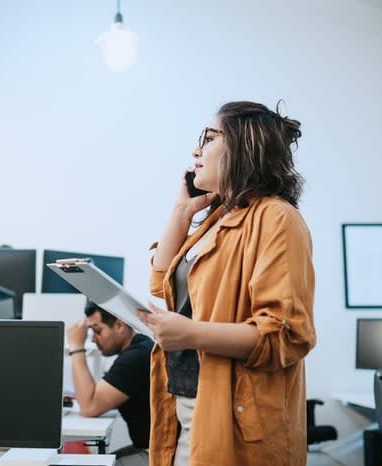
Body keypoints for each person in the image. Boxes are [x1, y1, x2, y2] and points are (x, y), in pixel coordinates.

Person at [142, 101, 316, 466]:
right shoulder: (217, 218)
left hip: (233, 415)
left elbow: (285, 335)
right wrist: (181, 210)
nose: (195, 150)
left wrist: (191, 334)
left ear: (243, 145)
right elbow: (161, 284)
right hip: (185, 403)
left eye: (207, 138)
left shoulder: (276, 218)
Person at [66, 300, 153, 466]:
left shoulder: (135, 358)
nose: (93, 339)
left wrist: (76, 346)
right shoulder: (140, 348)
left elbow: (89, 406)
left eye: (97, 331)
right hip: (150, 447)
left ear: (119, 325)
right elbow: (97, 400)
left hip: (156, 454)